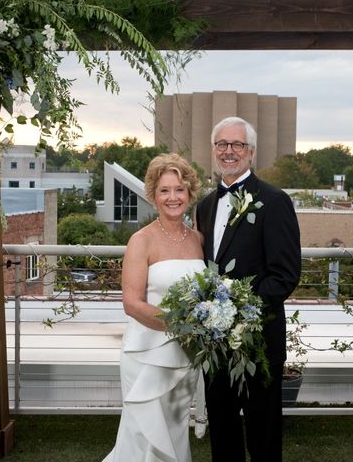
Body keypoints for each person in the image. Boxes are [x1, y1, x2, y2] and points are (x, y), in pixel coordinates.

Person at [195, 116, 301, 462]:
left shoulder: (274, 200)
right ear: (214, 150)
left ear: (251, 152)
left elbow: (285, 275)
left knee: (263, 432)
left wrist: (239, 313)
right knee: (222, 429)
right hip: (215, 342)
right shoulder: (205, 205)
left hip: (259, 340)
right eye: (222, 144)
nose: (229, 151)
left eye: (237, 145)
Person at [103, 153, 203, 462]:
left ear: (189, 193)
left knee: (174, 431)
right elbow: (132, 304)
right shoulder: (140, 241)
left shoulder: (199, 239)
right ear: (153, 194)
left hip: (187, 355)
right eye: (164, 190)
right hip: (147, 354)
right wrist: (181, 324)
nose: (172, 197)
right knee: (142, 434)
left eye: (179, 190)